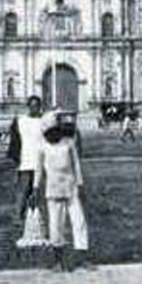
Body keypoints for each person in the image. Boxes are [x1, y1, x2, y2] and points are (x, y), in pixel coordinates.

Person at [33, 110, 89, 271]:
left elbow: (76, 165)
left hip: (71, 187)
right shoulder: (42, 147)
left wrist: (81, 184)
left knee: (79, 221)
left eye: (55, 131)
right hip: (53, 188)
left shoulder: (68, 143)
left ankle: (82, 258)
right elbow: (38, 170)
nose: (53, 135)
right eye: (49, 133)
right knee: (56, 224)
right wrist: (35, 188)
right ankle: (58, 260)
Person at [7, 95, 44, 226]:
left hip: (42, 161)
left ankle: (38, 216)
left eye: (37, 106)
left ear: (40, 107)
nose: (34, 108)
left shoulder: (44, 121)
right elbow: (14, 141)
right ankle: (18, 215)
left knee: (39, 189)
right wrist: (16, 159)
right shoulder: (20, 121)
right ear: (28, 106)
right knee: (23, 190)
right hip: (26, 160)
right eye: (32, 106)